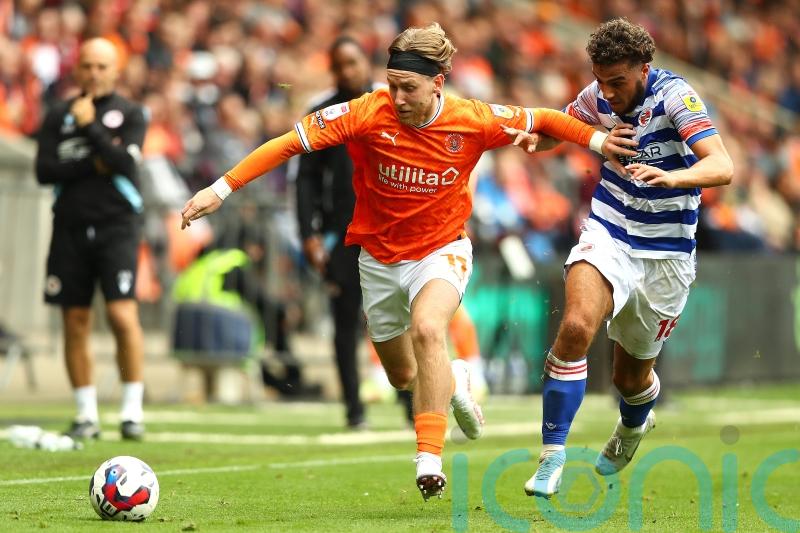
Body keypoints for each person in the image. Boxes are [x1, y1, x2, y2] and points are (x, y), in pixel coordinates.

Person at [180, 22, 636, 500]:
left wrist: (600, 143)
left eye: (408, 88)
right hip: (377, 257)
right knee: (402, 375)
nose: (395, 97)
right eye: (392, 84)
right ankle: (454, 379)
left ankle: (429, 459)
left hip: (442, 250)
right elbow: (289, 142)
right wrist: (220, 189)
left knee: (428, 329)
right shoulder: (365, 111)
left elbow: (544, 119)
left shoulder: (473, 117)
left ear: (437, 83)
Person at [503, 18, 734, 498]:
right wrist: (533, 139)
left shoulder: (676, 97)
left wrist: (674, 179)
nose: (606, 94)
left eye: (617, 82)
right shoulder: (596, 96)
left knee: (629, 379)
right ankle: (552, 457)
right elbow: (562, 128)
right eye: (600, 80)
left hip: (665, 255)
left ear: (644, 70)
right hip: (608, 232)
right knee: (575, 326)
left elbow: (722, 165)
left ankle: (632, 424)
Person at [35, 38, 148, 441]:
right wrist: (92, 161)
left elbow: (122, 163)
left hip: (116, 226)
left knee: (121, 315)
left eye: (102, 66)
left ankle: (132, 412)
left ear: (116, 70)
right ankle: (87, 414)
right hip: (68, 228)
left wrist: (88, 127)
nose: (94, 74)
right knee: (75, 320)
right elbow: (44, 171)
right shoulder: (56, 115)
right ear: (76, 69)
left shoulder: (132, 113)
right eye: (87, 66)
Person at [294, 36, 382, 430]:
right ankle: (353, 409)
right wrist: (308, 234)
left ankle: (410, 402)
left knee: (393, 319)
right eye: (340, 65)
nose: (347, 71)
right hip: (343, 233)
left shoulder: (390, 106)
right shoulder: (323, 114)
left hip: (388, 231)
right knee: (345, 320)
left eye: (353, 62)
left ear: (368, 63)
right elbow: (306, 180)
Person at [172, 225, 321, 400]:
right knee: (274, 321)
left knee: (267, 321)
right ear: (249, 245)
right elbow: (260, 299)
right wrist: (285, 312)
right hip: (218, 341)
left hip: (186, 341)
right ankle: (293, 382)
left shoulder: (202, 263)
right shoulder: (233, 263)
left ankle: (289, 382)